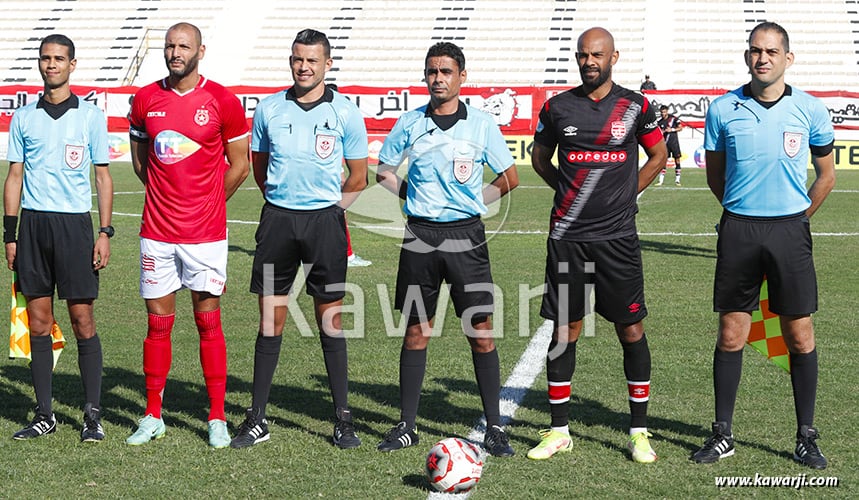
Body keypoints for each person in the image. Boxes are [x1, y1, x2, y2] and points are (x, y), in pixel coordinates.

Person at [691, 21, 835, 470]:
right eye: (755, 50)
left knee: (799, 333)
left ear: (787, 58)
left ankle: (806, 436)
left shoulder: (811, 110)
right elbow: (716, 175)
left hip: (789, 231)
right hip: (739, 230)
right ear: (747, 55)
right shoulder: (722, 109)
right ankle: (722, 435)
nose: (763, 58)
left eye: (772, 51)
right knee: (732, 333)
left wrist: (795, 220)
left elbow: (826, 175)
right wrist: (740, 214)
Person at [528, 27, 667, 463]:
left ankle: (639, 432)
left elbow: (658, 156)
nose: (589, 62)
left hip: (617, 239)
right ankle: (557, 431)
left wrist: (628, 195)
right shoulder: (557, 107)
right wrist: (565, 194)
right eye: (583, 55)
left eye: (598, 55)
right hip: (568, 238)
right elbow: (539, 158)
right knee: (564, 330)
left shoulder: (636, 106)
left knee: (630, 329)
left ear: (614, 57)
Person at [375, 41, 519, 458]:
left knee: (481, 332)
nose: (438, 79)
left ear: (461, 77)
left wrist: (475, 202)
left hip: (465, 237)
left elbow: (510, 177)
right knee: (417, 330)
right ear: (425, 76)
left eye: (446, 72)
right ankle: (406, 425)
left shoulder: (481, 125)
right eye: (432, 72)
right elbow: (383, 171)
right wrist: (411, 195)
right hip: (421, 236)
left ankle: (494, 426)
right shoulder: (409, 123)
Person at [229, 29, 368, 450]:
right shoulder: (269, 108)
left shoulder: (346, 112)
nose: (303, 67)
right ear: (290, 61)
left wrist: (327, 214)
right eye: (297, 59)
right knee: (270, 320)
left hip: (326, 223)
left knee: (331, 320)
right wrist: (285, 206)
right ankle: (257, 418)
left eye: (312, 60)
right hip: (278, 222)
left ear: (327, 64)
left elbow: (358, 176)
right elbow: (259, 166)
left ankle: (342, 419)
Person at [125, 22, 250, 448]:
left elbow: (240, 165)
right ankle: (153, 414)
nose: (175, 52)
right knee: (157, 325)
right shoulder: (145, 100)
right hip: (157, 233)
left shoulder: (222, 101)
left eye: (183, 46)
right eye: (169, 46)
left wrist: (211, 201)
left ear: (201, 50)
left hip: (205, 234)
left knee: (207, 322)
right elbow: (142, 163)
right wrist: (164, 197)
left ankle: (217, 417)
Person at [4, 33, 113, 442]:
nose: (51, 65)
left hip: (74, 228)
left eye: (59, 59)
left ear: (72, 64)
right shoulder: (24, 117)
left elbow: (102, 176)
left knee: (83, 320)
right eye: (45, 58)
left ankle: (92, 415)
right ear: (39, 63)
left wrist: (104, 232)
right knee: (38, 320)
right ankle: (45, 413)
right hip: (32, 227)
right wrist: (9, 234)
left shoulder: (90, 116)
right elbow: (14, 176)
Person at [656, 105, 683, 186]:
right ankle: (661, 181)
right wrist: (662, 132)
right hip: (665, 144)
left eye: (664, 112)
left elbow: (680, 128)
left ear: (667, 111)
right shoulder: (659, 122)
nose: (663, 114)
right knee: (663, 161)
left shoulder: (673, 119)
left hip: (674, 143)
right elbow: (658, 133)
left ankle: (677, 180)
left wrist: (672, 130)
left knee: (677, 160)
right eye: (661, 112)